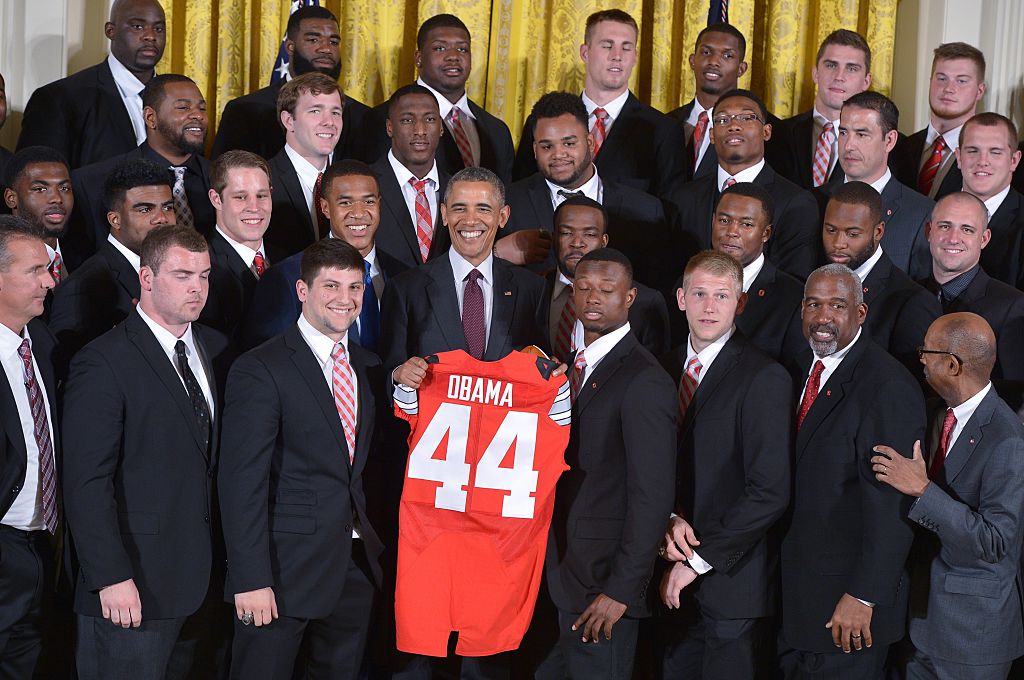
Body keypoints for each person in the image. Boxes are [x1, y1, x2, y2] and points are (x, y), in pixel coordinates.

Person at [62, 225, 231, 679]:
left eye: (204, 275)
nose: (196, 287)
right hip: (131, 588)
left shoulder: (213, 348)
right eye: (181, 275)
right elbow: (85, 482)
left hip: (204, 583)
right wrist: (109, 576)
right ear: (147, 278)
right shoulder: (102, 362)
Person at [218, 238, 386, 680]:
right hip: (280, 570)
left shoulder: (369, 367)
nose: (345, 299)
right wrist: (250, 578)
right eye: (331, 286)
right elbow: (241, 483)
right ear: (302, 291)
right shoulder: (262, 367)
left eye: (355, 287)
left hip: (354, 568)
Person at [537, 247, 676, 680]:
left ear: (630, 297)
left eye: (606, 289)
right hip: (558, 575)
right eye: (583, 288)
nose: (593, 298)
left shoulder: (644, 378)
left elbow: (652, 498)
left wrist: (621, 591)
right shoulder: (566, 366)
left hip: (603, 588)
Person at [780, 264, 924, 679]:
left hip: (848, 611)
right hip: (796, 600)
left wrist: (864, 595)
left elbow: (893, 503)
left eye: (837, 305)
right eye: (814, 304)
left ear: (861, 314)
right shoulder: (796, 367)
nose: (823, 316)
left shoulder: (887, 385)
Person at [656, 250, 791, 679]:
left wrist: (697, 560)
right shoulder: (660, 366)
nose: (709, 307)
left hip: (732, 586)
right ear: (680, 298)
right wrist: (668, 518)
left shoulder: (764, 376)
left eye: (722, 296)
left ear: (741, 303)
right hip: (664, 575)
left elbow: (769, 492)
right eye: (699, 294)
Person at [871, 313, 1024, 680]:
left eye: (927, 349)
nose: (919, 356)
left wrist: (922, 489)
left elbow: (995, 541)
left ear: (952, 364)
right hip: (920, 625)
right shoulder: (935, 414)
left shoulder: (1008, 440)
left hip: (972, 639)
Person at [503, 91, 673, 293]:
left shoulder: (644, 209)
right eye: (547, 146)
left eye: (569, 143)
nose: (558, 154)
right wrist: (497, 252)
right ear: (534, 150)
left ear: (591, 143)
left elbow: (655, 289)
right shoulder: (507, 202)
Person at [514, 9, 685, 199]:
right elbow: (522, 193)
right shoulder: (542, 122)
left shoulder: (662, 131)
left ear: (635, 56)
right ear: (585, 53)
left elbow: (667, 209)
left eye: (626, 47)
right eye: (607, 46)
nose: (617, 56)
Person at [241, 159, 407, 350]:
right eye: (346, 203)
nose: (359, 213)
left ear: (379, 205)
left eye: (368, 201)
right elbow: (269, 359)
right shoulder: (287, 277)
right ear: (325, 208)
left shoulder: (402, 275)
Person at [665, 89, 820, 280]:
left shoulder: (796, 202)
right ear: (712, 135)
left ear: (766, 131)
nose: (734, 125)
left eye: (746, 118)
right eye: (723, 120)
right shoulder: (683, 198)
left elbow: (793, 283)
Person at [68, 73, 213, 267]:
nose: (197, 115)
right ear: (151, 117)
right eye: (183, 107)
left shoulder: (224, 179)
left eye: (202, 108)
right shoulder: (92, 182)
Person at [0, 216, 59, 679]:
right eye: (36, 270)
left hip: (43, 545)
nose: (49, 280)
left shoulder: (42, 340)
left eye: (49, 268)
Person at [49, 158, 174, 374]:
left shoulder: (181, 273)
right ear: (115, 219)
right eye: (145, 210)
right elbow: (73, 374)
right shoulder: (81, 287)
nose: (161, 218)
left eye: (168, 207)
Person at [358, 14, 515, 186]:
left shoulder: (497, 130)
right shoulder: (381, 119)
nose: (453, 56)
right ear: (419, 59)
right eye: (440, 48)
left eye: (462, 49)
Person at [17, 0, 166, 169]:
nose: (151, 36)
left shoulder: (182, 101)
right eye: (137, 26)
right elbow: (35, 182)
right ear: (110, 31)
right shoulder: (59, 99)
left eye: (159, 28)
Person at [211, 5, 370, 162]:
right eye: (313, 39)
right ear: (290, 47)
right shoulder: (245, 111)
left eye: (334, 42)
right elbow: (224, 178)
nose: (326, 49)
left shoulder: (362, 116)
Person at [821, 182, 940, 378]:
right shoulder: (815, 284)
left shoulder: (913, 302)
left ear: (878, 232)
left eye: (852, 234)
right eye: (831, 230)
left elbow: (910, 386)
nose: (838, 244)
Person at [919, 192, 1024, 410]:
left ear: (984, 239)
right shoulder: (910, 294)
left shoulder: (1012, 307)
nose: (953, 238)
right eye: (945, 226)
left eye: (967, 229)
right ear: (929, 231)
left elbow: (1015, 394)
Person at [819, 91, 934, 280]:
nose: (848, 145)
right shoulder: (814, 201)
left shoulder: (922, 213)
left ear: (889, 140)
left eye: (862, 134)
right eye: (843, 132)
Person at [542, 195, 669, 358]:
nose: (577, 242)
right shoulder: (532, 289)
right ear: (554, 239)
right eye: (566, 233)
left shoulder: (646, 302)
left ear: (604, 241)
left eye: (589, 235)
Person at [709, 183, 805, 362]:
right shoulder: (688, 282)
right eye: (724, 221)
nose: (732, 232)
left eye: (746, 224)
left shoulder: (793, 298)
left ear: (766, 233)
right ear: (713, 221)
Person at [773, 30, 872, 189]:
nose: (839, 76)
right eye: (831, 65)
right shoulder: (779, 133)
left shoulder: (883, 145)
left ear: (866, 81)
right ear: (815, 73)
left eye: (852, 68)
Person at [199, 151, 280, 343]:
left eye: (261, 195)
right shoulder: (201, 267)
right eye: (241, 197)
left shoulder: (289, 258)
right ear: (216, 199)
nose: (254, 207)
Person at [370, 84, 452, 271]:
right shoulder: (366, 185)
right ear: (390, 127)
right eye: (407, 120)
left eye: (430, 119)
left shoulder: (457, 188)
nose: (420, 130)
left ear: (441, 127)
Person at [893, 43, 986, 200]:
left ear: (979, 91)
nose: (949, 88)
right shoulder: (899, 147)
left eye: (961, 81)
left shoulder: (988, 157)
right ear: (930, 82)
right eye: (942, 78)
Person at [666, 23, 758, 182]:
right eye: (706, 52)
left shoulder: (759, 129)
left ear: (741, 69)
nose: (714, 61)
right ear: (693, 61)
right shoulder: (665, 123)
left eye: (727, 55)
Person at [265, 72, 343, 257]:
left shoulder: (351, 180)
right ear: (288, 120)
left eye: (335, 112)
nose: (329, 122)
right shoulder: (264, 180)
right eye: (315, 111)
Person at [957, 112, 1024, 288]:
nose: (983, 161)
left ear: (1014, 160)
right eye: (973, 151)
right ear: (958, 157)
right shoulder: (930, 211)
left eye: (995, 152)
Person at [3, 147, 74, 289]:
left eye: (64, 188)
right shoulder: (4, 264)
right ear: (11, 198)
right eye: (40, 189)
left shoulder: (86, 253)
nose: (57, 199)